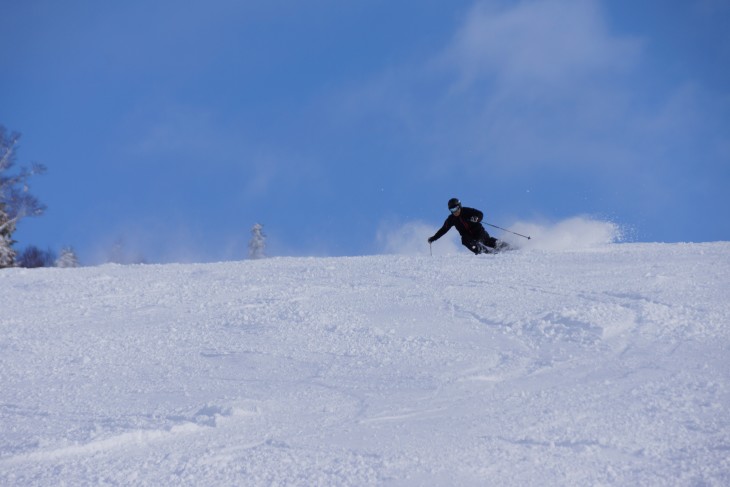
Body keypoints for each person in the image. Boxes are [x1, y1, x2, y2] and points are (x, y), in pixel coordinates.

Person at [427, 198, 508, 255]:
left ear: (459, 206)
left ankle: (506, 246)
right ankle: (482, 251)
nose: (455, 212)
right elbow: (443, 229)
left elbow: (480, 213)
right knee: (465, 240)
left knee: (485, 240)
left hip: (478, 231)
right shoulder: (451, 219)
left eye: (456, 208)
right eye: (452, 210)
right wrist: (434, 238)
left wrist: (476, 218)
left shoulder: (466, 211)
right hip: (468, 236)